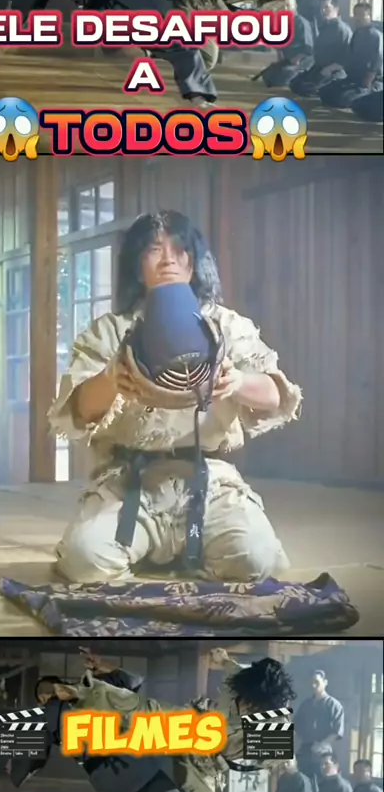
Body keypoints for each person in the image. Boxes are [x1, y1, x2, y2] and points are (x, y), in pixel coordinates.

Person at [48, 210, 301, 586]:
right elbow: (79, 409)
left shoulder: (227, 327)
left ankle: (192, 546)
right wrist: (111, 380)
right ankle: (146, 545)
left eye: (180, 249)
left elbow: (275, 395)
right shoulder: (110, 332)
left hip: (208, 481)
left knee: (259, 561)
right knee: (86, 562)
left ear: (193, 262)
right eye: (154, 249)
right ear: (137, 266)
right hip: (129, 481)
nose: (168, 259)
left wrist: (237, 381)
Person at [8, 656, 206, 792]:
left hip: (111, 778)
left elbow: (32, 752)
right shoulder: (91, 690)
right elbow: (132, 680)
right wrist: (103, 665)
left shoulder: (51, 712)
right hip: (133, 765)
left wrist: (16, 770)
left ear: (43, 699)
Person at [5, 0, 217, 106]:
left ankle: (195, 89)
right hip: (122, 2)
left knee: (180, 45)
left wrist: (198, 97)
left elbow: (183, 49)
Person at [319, 3, 383, 108]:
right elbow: (348, 56)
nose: (357, 18)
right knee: (325, 92)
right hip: (354, 78)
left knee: (347, 99)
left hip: (370, 81)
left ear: (369, 16)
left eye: (361, 15)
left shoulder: (375, 36)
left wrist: (368, 80)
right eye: (355, 15)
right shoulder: (356, 34)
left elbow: (377, 61)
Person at [294, 670, 345, 792]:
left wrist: (322, 745)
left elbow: (337, 731)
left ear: (325, 682)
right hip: (305, 750)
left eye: (316, 682)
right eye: (311, 682)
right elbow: (296, 726)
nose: (313, 685)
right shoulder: (306, 704)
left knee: (322, 785)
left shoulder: (334, 705)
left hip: (323, 751)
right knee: (303, 784)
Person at [289, 0, 352, 96]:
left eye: (326, 7)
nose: (323, 11)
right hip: (319, 67)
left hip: (334, 70)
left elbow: (347, 56)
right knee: (295, 84)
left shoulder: (342, 29)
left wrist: (330, 68)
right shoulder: (325, 26)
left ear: (336, 9)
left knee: (309, 89)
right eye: (322, 8)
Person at [253, 0, 314, 88]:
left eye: (288, 5)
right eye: (283, 6)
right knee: (267, 77)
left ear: (295, 6)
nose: (285, 8)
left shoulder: (302, 23)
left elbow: (308, 48)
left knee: (281, 78)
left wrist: (297, 60)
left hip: (301, 61)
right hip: (288, 59)